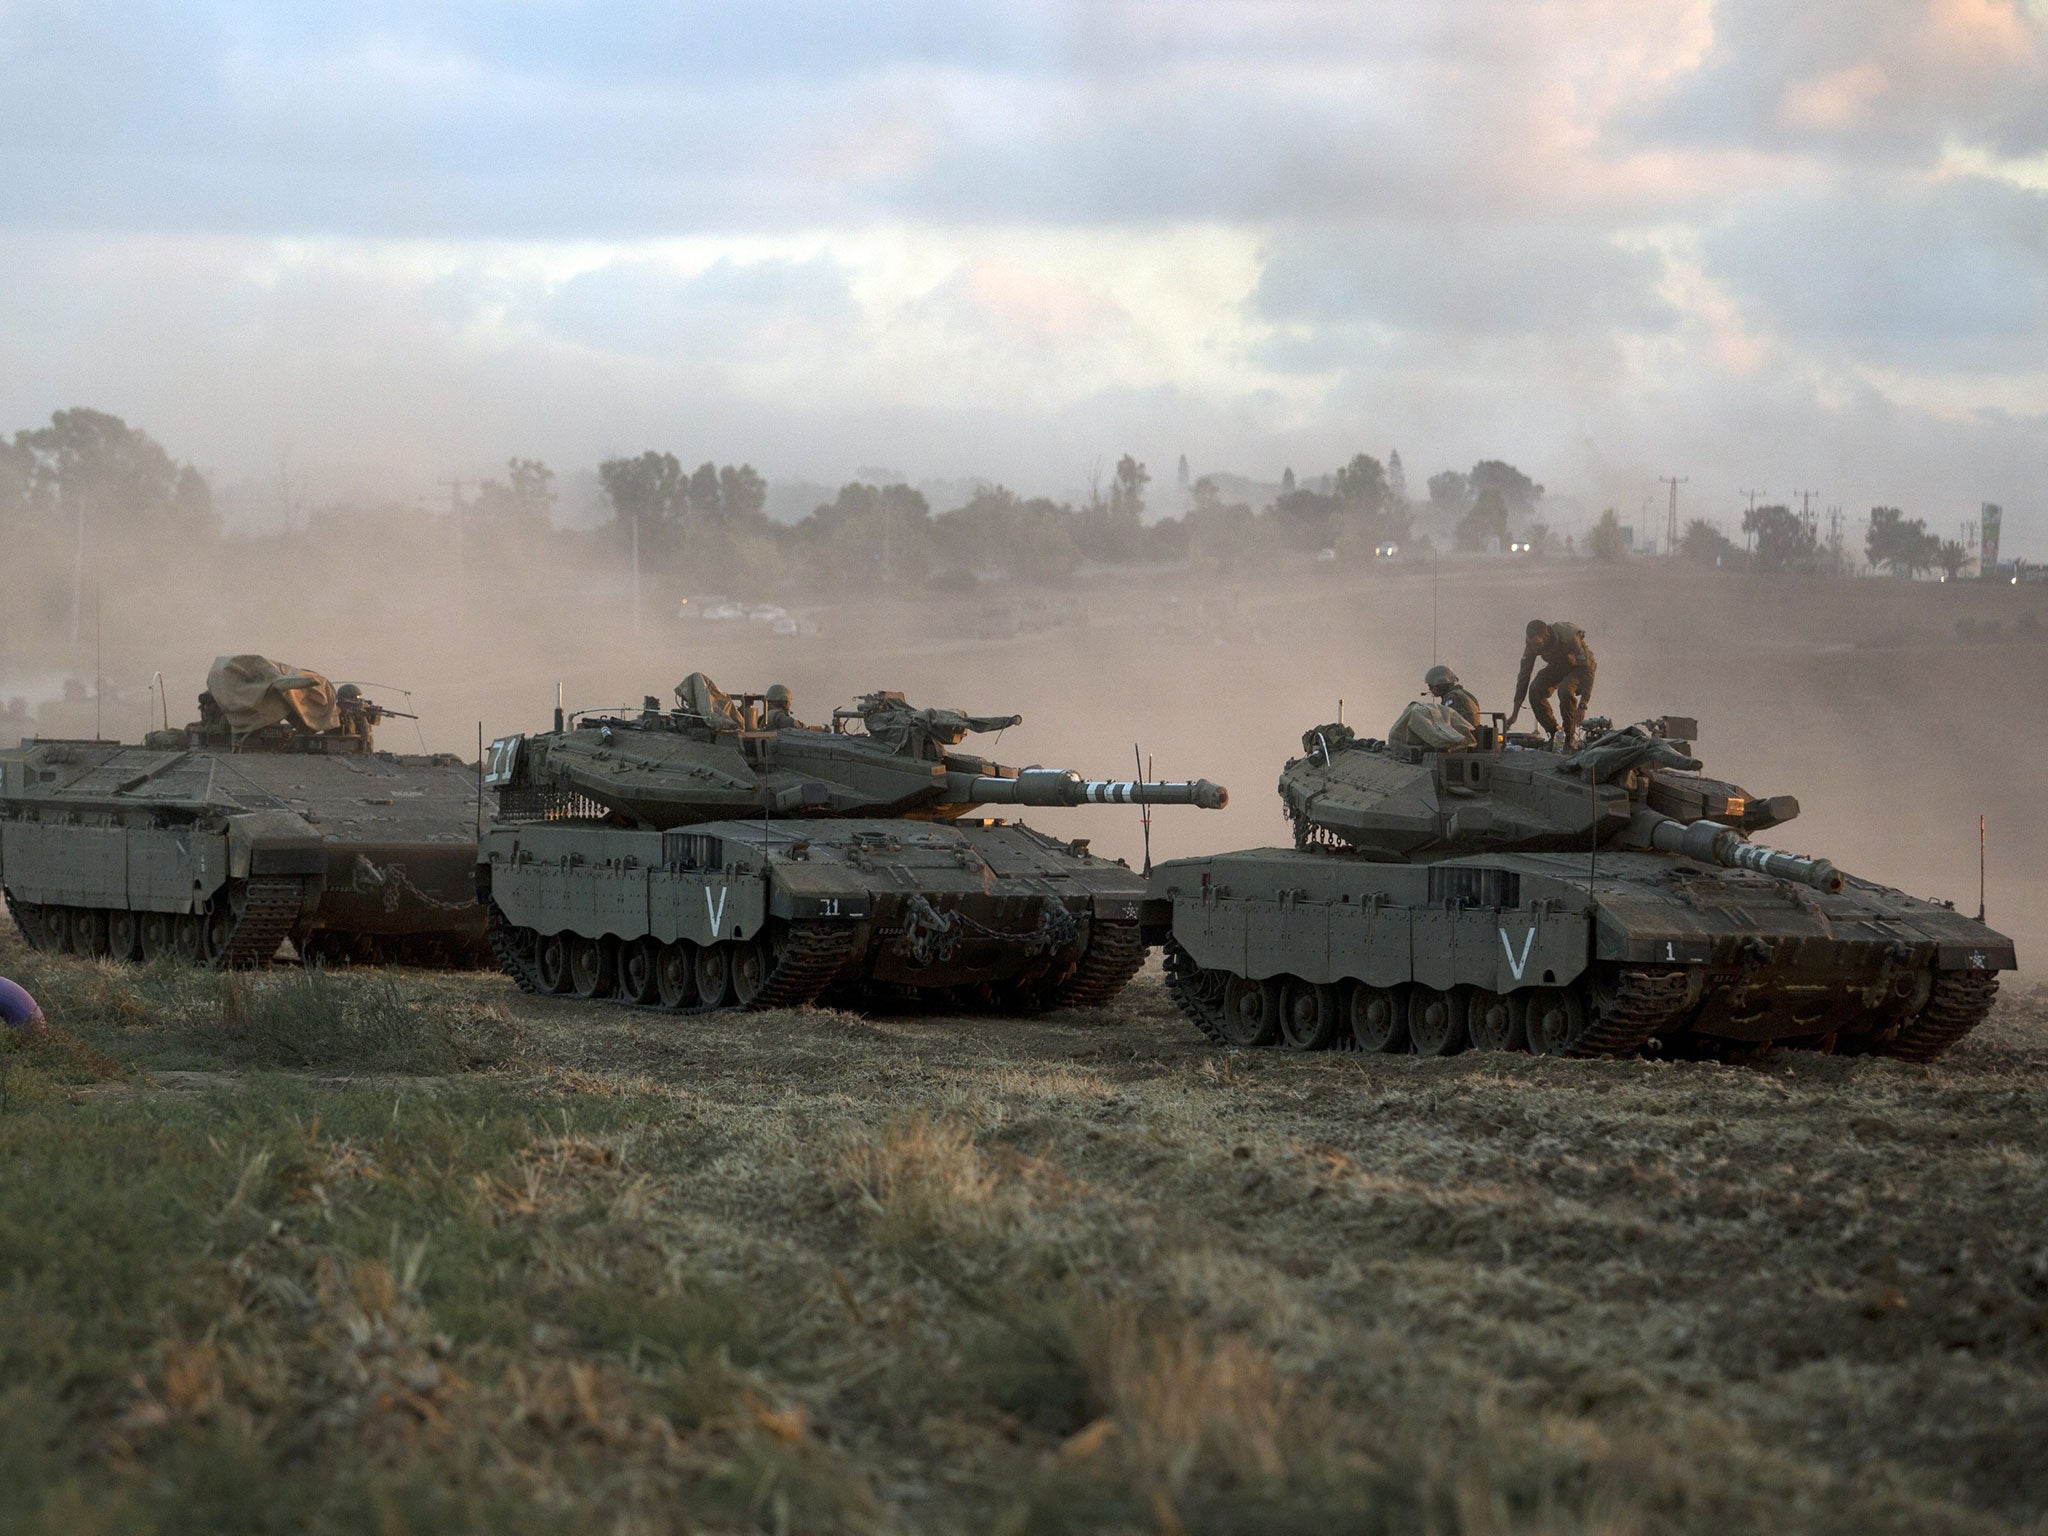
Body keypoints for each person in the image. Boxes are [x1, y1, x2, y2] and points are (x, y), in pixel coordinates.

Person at [1507, 619, 1596, 747]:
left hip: (1580, 667)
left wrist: (1583, 704)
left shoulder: (1569, 636)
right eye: (1532, 644)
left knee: (1565, 690)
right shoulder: (1532, 644)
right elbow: (1523, 677)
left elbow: (1587, 669)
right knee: (1535, 689)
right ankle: (1555, 734)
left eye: (1538, 644)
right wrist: (1515, 714)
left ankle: (1569, 737)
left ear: (1546, 635)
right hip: (1558, 666)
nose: (1535, 647)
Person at [1424, 665, 1481, 731]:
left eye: (1430, 686)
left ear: (1440, 684)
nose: (1429, 689)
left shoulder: (1452, 698)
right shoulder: (1464, 694)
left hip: (1461, 737)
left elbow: (1450, 723)